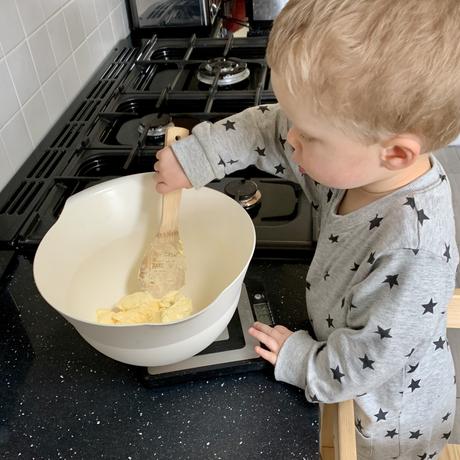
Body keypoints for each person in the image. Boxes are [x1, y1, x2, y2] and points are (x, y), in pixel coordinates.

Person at [154, 0, 460, 458]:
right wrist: (196, 157)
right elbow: (267, 128)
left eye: (310, 134)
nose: (291, 137)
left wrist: (301, 361)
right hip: (340, 354)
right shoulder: (358, 163)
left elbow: (365, 363)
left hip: (385, 423)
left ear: (394, 153)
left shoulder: (412, 246)